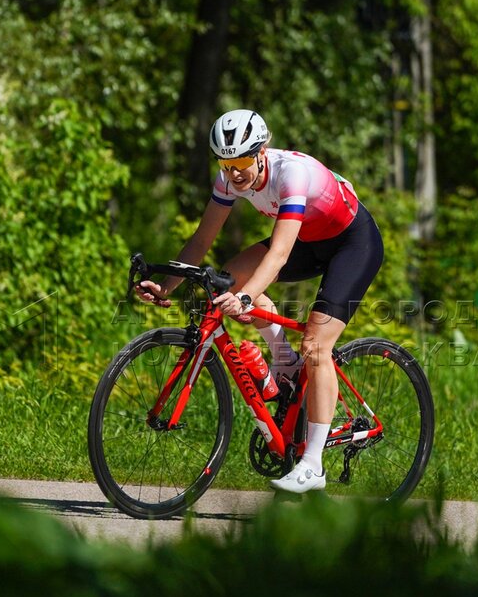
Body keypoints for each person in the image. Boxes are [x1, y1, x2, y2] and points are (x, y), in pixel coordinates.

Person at [135, 109, 384, 494]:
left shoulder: (291, 174)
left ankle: (313, 465)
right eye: (226, 164)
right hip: (309, 243)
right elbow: (201, 241)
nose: (234, 175)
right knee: (223, 281)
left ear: (262, 151)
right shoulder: (229, 180)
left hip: (352, 243)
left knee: (317, 346)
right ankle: (283, 362)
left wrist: (248, 296)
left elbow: (279, 254)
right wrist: (167, 286)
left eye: (241, 164)